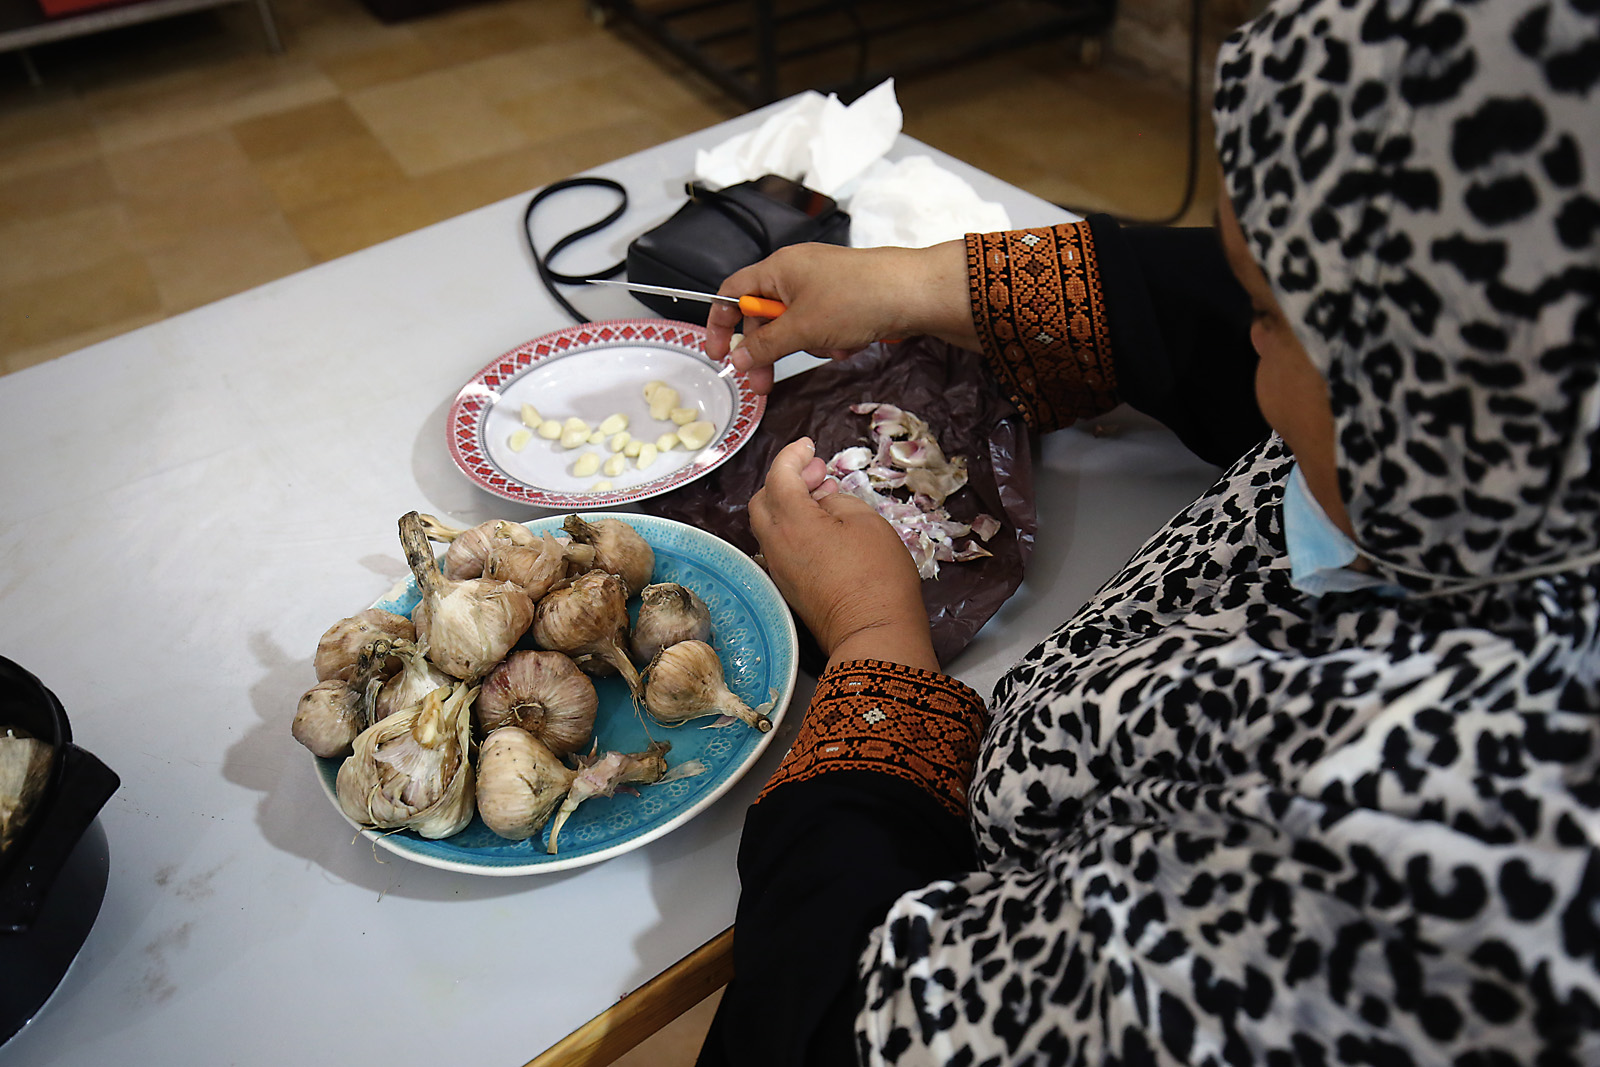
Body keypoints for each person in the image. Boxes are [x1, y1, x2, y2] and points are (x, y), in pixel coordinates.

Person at [691, 0, 1600, 1064]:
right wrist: (922, 282)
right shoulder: (1517, 445)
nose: (1248, 333)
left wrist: (873, 633)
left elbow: (846, 1027)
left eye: (1270, 314)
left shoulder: (1425, 858)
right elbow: (1223, 303)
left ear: (1430, 399)